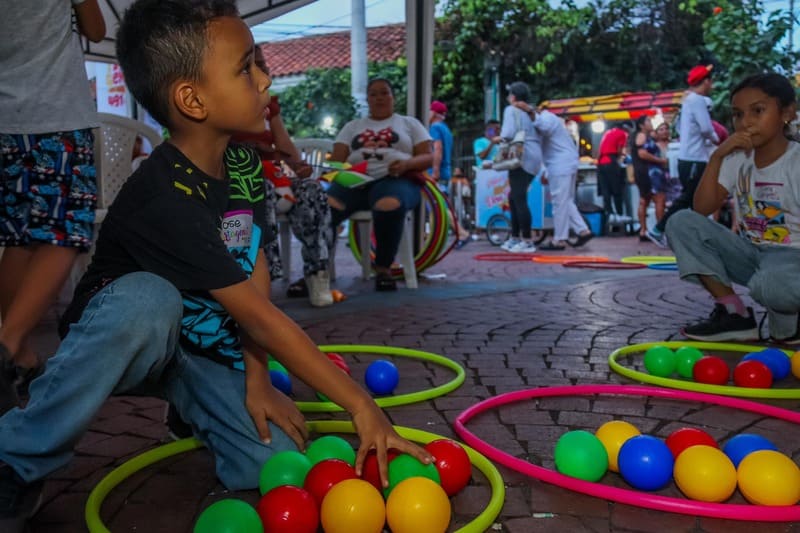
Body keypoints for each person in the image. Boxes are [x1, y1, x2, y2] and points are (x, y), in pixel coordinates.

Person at [0, 2, 432, 531]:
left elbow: (255, 274)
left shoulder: (247, 167)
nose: (265, 79)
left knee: (269, 464)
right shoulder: (162, 193)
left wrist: (256, 381)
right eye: (245, 68)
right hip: (125, 338)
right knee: (148, 300)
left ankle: (191, 406)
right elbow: (261, 318)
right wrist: (362, 408)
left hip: (199, 346)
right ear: (192, 99)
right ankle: (15, 460)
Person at [0, 0, 105, 415]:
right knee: (64, 235)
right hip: (55, 118)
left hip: (5, 124)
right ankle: (7, 348)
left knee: (20, 240)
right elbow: (96, 30)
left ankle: (21, 354)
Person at [665, 72, 800, 344]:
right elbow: (702, 208)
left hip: (792, 259)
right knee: (681, 222)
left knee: (771, 289)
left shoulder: (795, 161)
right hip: (753, 255)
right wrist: (717, 156)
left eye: (758, 111)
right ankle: (734, 314)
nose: (746, 122)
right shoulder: (736, 159)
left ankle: (788, 318)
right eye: (738, 114)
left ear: (787, 113)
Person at [233, 47, 334, 307]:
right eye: (253, 65)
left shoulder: (271, 106)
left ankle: (317, 272)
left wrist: (299, 165)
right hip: (241, 179)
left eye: (263, 64)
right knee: (257, 185)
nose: (263, 70)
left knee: (311, 189)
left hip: (278, 180)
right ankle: (267, 273)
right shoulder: (228, 103)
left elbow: (287, 149)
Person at [328, 78, 433, 291]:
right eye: (373, 94)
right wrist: (347, 170)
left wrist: (406, 164)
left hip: (397, 180)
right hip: (356, 182)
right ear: (367, 99)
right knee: (323, 206)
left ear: (393, 97)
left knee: (389, 203)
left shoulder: (409, 123)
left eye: (384, 93)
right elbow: (336, 161)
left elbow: (428, 158)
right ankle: (316, 270)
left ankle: (383, 267)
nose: (379, 98)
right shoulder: (352, 127)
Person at [648, 64, 720, 247]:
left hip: (687, 159)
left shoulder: (687, 101)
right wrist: (718, 139)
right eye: (710, 81)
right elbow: (706, 128)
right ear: (705, 81)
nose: (712, 85)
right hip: (695, 159)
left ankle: (694, 238)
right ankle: (659, 228)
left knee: (694, 200)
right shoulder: (696, 100)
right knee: (690, 198)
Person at [511, 101, 593, 250]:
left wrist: (529, 111)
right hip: (563, 163)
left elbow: (544, 127)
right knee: (565, 201)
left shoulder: (546, 118)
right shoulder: (544, 120)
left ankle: (559, 239)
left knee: (559, 203)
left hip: (560, 164)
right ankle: (582, 230)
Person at [493, 81, 543, 253]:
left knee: (518, 197)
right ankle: (515, 238)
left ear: (513, 96)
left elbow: (507, 134)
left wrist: (497, 139)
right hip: (534, 156)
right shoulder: (532, 112)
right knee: (514, 196)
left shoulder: (511, 110)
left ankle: (527, 240)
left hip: (521, 157)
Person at [629, 115, 668, 241]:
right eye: (648, 121)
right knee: (659, 200)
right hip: (650, 172)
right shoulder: (642, 136)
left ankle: (643, 230)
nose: (651, 123)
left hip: (643, 172)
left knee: (644, 200)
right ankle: (659, 230)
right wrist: (660, 160)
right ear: (642, 125)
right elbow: (642, 153)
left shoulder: (644, 135)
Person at [596, 122, 631, 223]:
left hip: (601, 163)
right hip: (611, 161)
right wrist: (623, 156)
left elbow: (600, 151)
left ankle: (609, 215)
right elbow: (619, 150)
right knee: (617, 190)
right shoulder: (622, 134)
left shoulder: (607, 133)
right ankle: (619, 215)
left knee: (605, 190)